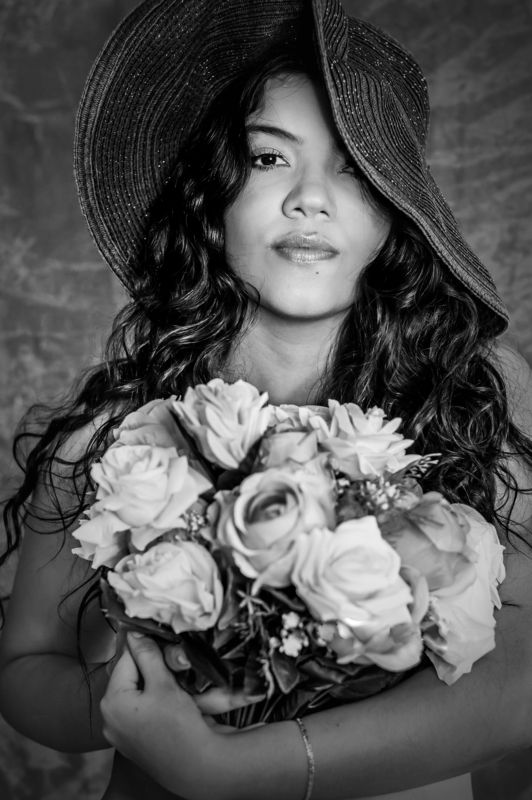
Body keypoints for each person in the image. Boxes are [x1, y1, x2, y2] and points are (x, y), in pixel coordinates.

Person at [0, 0, 531, 799]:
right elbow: (24, 664)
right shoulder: (116, 432)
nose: (310, 198)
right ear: (212, 197)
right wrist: (121, 693)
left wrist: (227, 769)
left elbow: (522, 680)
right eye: (269, 157)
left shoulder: (472, 397)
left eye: (354, 167)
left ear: (397, 212)